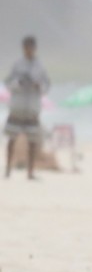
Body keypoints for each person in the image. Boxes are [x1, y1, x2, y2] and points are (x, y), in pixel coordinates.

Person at [5, 35, 51, 180]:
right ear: (23, 48)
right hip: (17, 106)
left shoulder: (40, 66)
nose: (28, 50)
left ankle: (30, 172)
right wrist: (18, 83)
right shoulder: (17, 64)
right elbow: (8, 82)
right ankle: (7, 170)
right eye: (26, 48)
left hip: (32, 107)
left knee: (33, 141)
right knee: (11, 138)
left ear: (34, 48)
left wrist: (38, 86)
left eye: (31, 48)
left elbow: (47, 85)